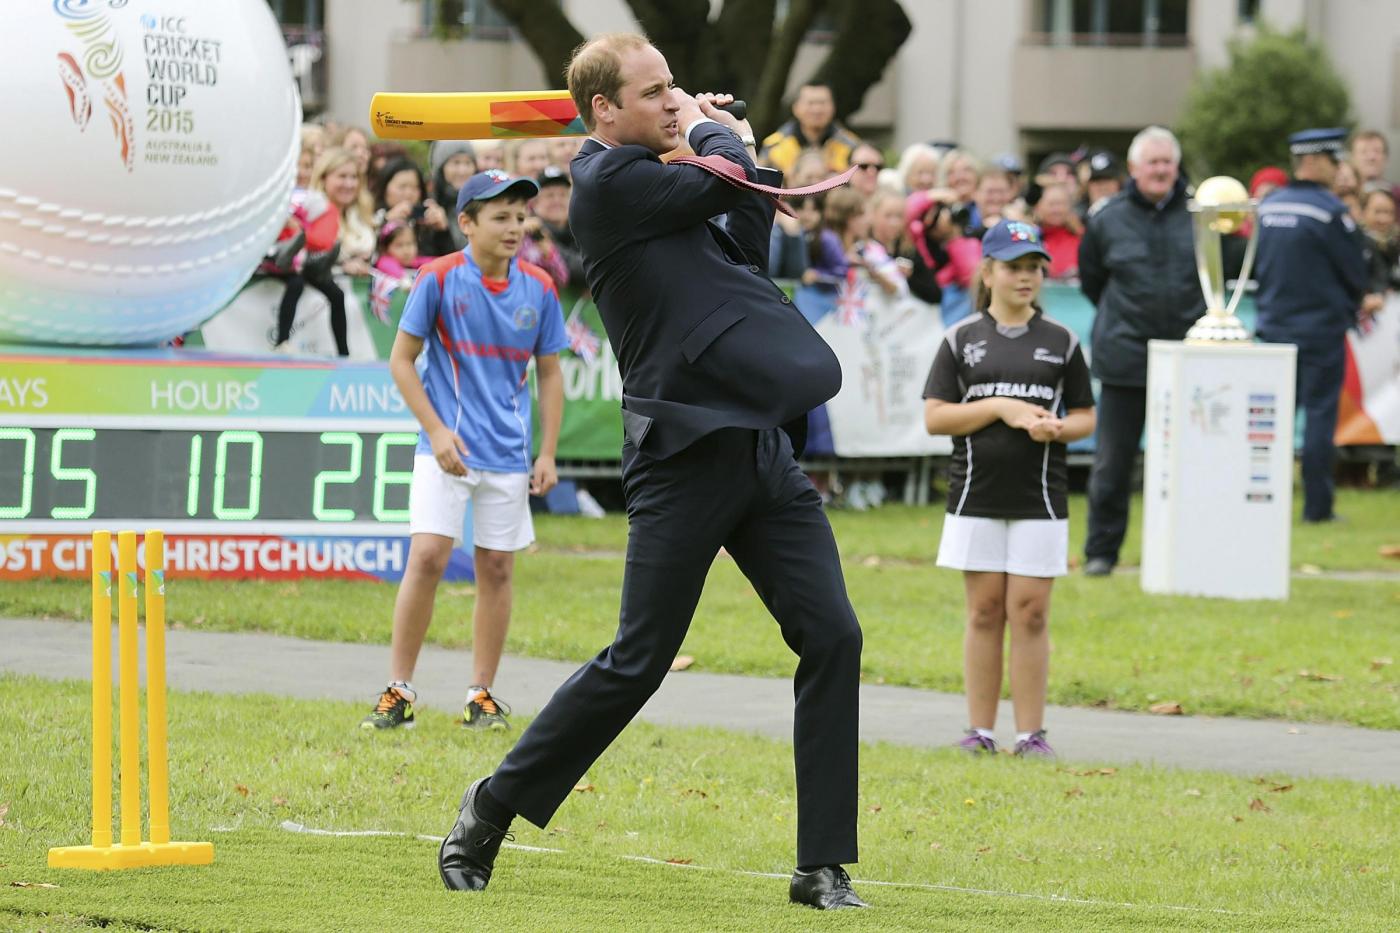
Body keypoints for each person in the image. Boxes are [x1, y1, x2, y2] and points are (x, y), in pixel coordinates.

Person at [436, 33, 867, 911]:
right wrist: (714, 134)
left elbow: (740, 245)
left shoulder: (669, 175)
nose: (674, 99)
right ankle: (491, 806)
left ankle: (821, 864)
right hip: (680, 456)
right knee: (638, 661)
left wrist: (731, 148)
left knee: (833, 636)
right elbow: (720, 177)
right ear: (603, 110)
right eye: (655, 91)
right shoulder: (606, 181)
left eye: (676, 85)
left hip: (758, 447)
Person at [361, 169, 566, 734]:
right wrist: (436, 431)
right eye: (500, 217)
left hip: (507, 454)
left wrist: (548, 452)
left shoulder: (540, 287)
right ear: (467, 223)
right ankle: (398, 691)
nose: (515, 227)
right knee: (427, 556)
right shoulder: (438, 277)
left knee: (496, 568)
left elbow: (550, 374)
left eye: (520, 217)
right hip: (443, 448)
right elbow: (402, 361)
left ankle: (481, 695)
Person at [923, 220, 1095, 758]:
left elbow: (1085, 416)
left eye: (1034, 268)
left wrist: (1057, 429)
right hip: (974, 495)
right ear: (988, 272)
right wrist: (1000, 408)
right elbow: (936, 418)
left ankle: (1030, 735)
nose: (1026, 277)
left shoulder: (1062, 341)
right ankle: (980, 731)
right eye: (1014, 267)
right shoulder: (961, 339)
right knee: (984, 610)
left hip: (1039, 497)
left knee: (1030, 611)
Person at [1077, 126, 1203, 577]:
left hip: (1189, 357)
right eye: (1153, 162)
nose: (1161, 170)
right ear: (1133, 168)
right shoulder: (1106, 218)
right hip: (1125, 354)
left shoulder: (1200, 213)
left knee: (1193, 459)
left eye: (1167, 162)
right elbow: (1092, 280)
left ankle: (1192, 550)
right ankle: (1101, 553)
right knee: (1114, 462)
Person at [1254, 128, 1376, 523]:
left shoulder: (1269, 207)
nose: (1339, 168)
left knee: (1271, 421)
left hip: (1274, 329)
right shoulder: (1330, 211)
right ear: (1315, 161)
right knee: (1319, 419)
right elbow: (1355, 272)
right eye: (1333, 160)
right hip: (1320, 331)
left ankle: (1262, 500)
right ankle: (1317, 508)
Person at [758, 81, 860, 176]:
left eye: (822, 103)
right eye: (810, 103)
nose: (817, 109)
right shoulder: (775, 145)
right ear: (795, 108)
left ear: (833, 107)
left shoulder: (850, 145)